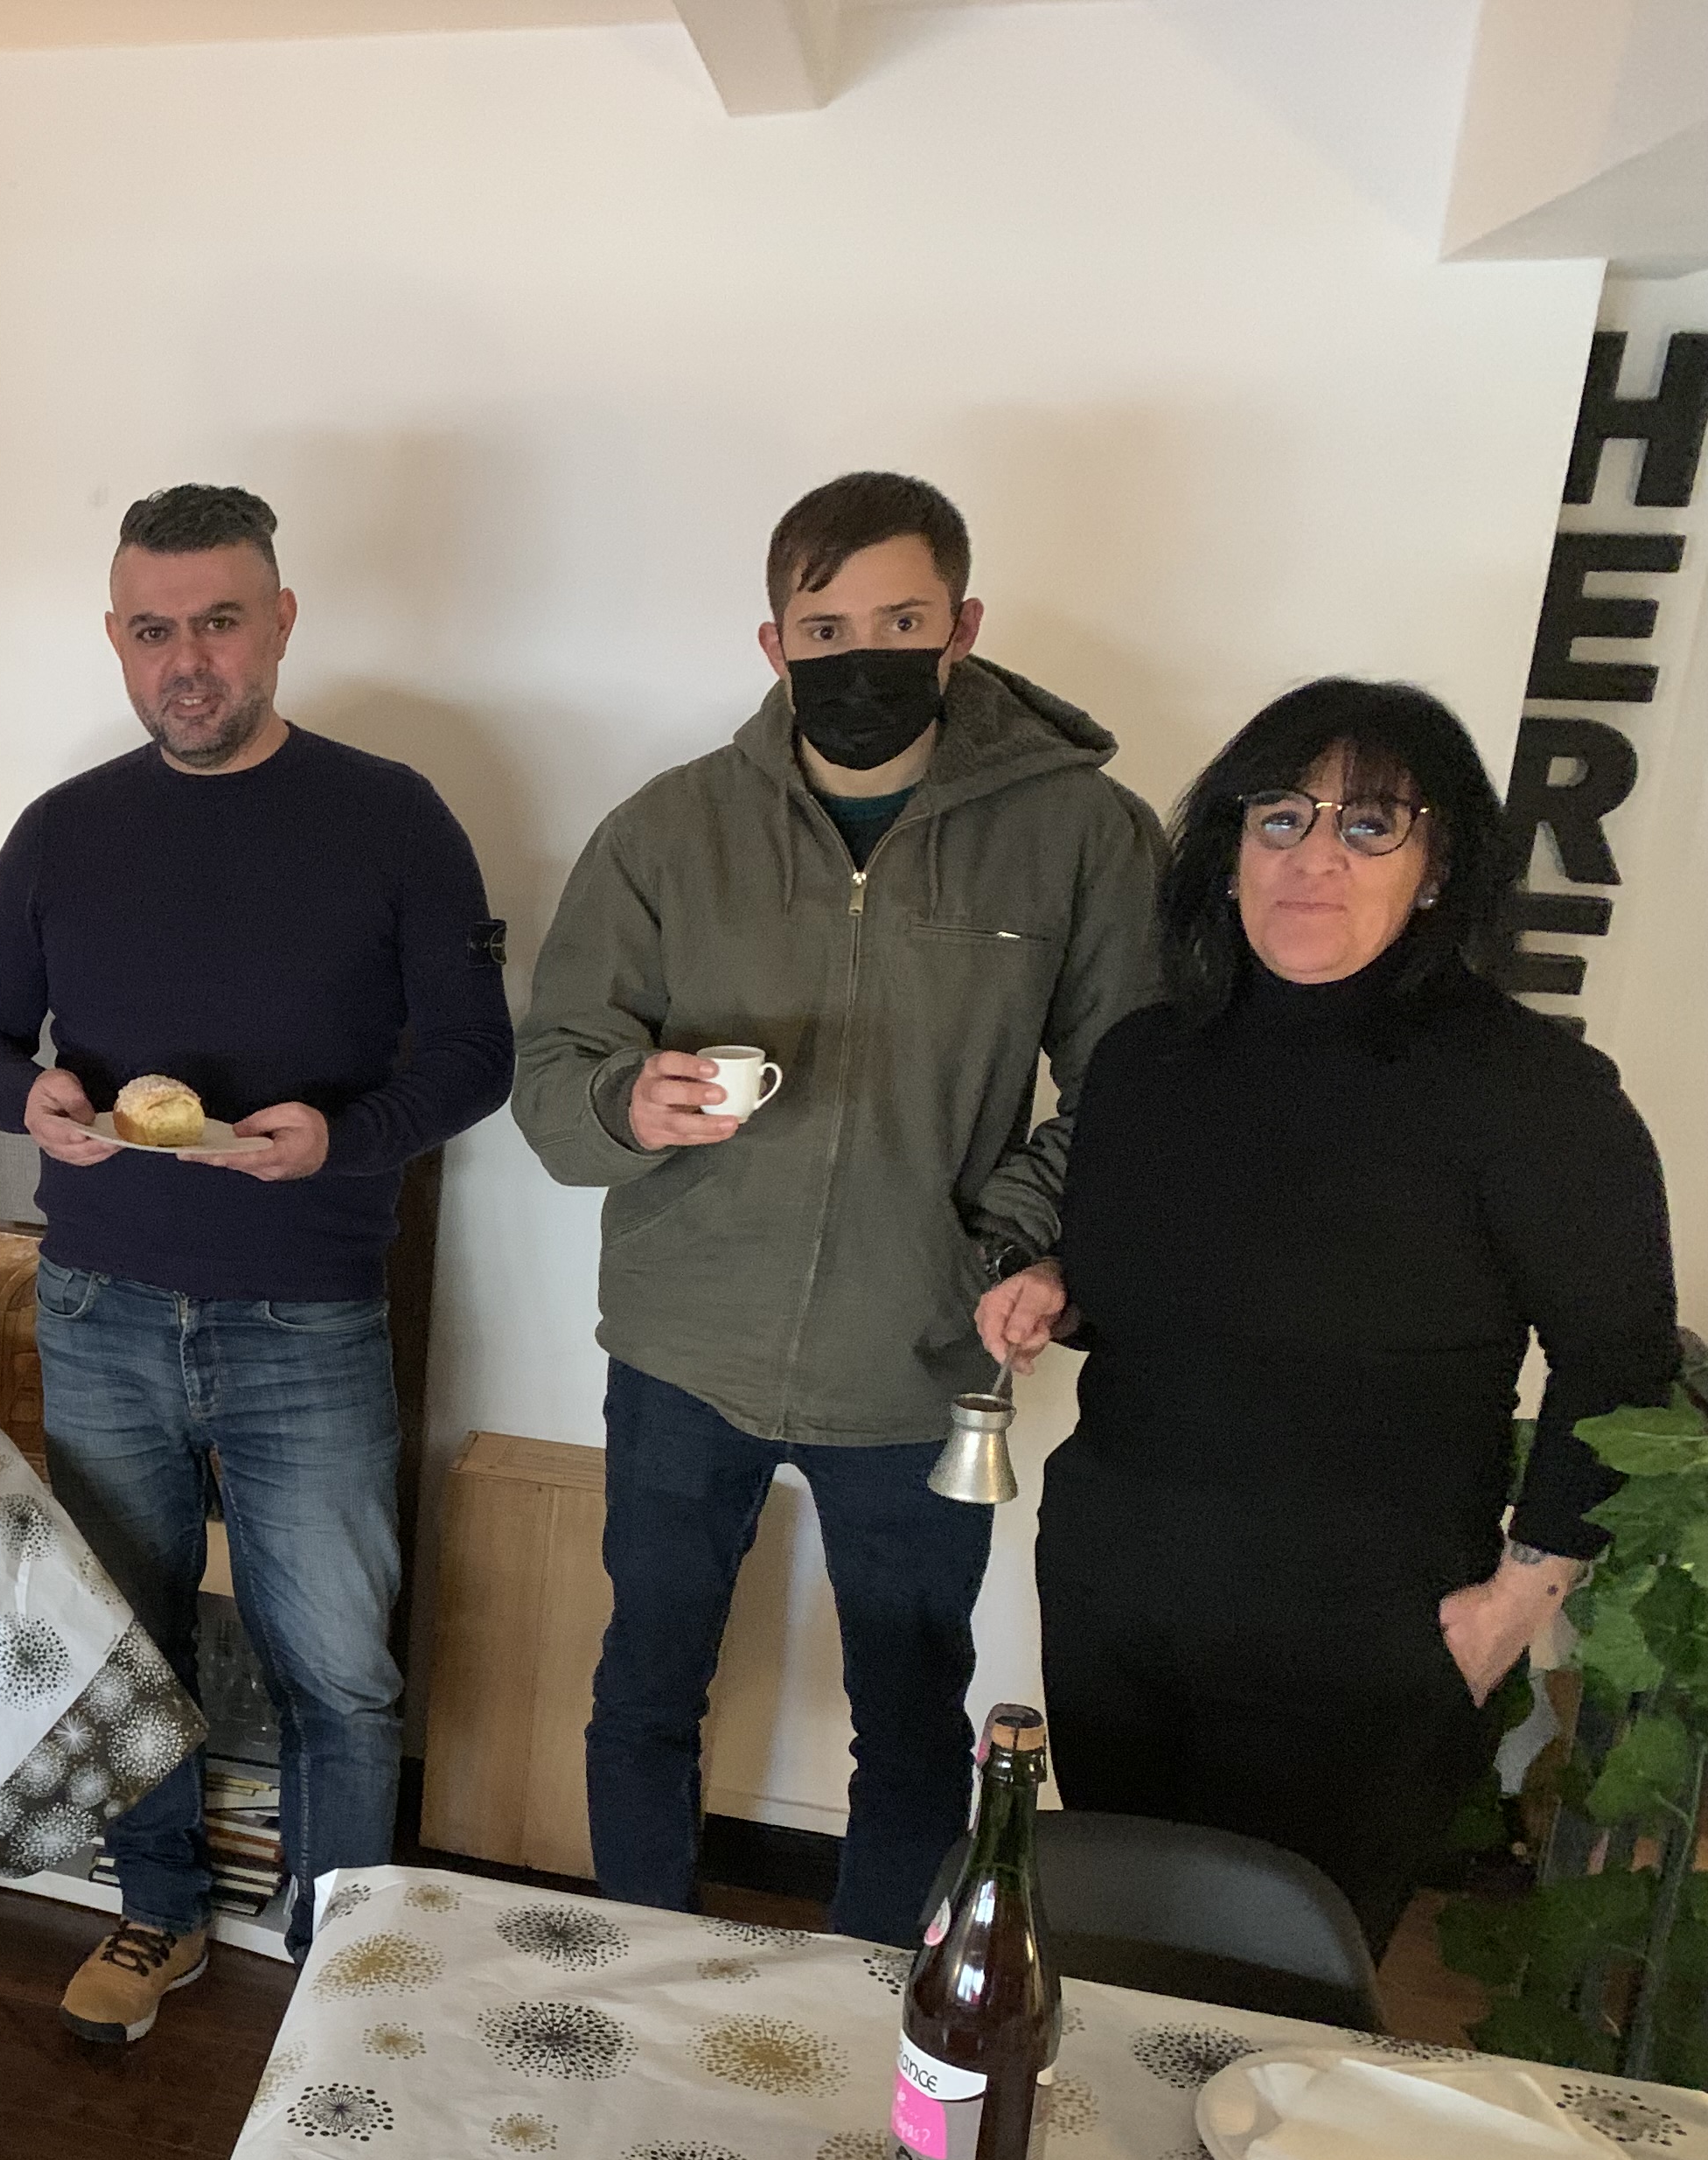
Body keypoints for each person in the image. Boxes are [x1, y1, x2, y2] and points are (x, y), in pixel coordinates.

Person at [512, 470, 1162, 1946]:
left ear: (962, 625)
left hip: (927, 1363)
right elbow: (554, 1070)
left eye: (901, 619)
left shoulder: (1081, 834)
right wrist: (631, 1102)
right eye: (825, 625)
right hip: (686, 1348)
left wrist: (1018, 1236)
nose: (859, 654)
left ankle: (871, 2010)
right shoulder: (669, 829)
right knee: (645, 1687)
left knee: (911, 1717)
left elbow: (1135, 1088)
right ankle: (635, 1975)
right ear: (773, 644)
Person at [0, 483, 514, 2039]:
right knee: (124, 1646)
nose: (186, 659)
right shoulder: (64, 829)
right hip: (102, 1303)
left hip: (307, 1316)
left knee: (339, 1670)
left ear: (280, 621)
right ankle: (157, 1917)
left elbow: (474, 1059)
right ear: (115, 642)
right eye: (152, 629)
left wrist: (342, 1134)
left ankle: (339, 1964)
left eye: (218, 621)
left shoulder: (393, 816)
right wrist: (31, 1101)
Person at [994, 679, 1681, 1953]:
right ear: (1230, 847)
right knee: (1119, 1963)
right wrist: (1056, 1287)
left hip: (1364, 1648)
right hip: (1121, 1604)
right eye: (1280, 819)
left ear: (1437, 868)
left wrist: (1518, 1605)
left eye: (1369, 826)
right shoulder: (1149, 1060)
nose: (1313, 860)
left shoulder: (1533, 1093)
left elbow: (1618, 1363)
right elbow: (1151, 1285)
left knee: (1288, 1999)